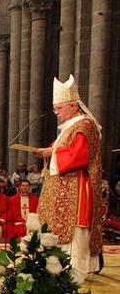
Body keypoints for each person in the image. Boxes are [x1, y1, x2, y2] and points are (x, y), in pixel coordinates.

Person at [36, 75, 103, 275]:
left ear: (73, 106)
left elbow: (79, 156)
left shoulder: (83, 125)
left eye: (59, 108)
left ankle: (75, 268)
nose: (56, 113)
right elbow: (64, 148)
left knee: (73, 229)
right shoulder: (71, 127)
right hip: (64, 184)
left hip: (76, 187)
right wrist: (48, 151)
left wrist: (51, 153)